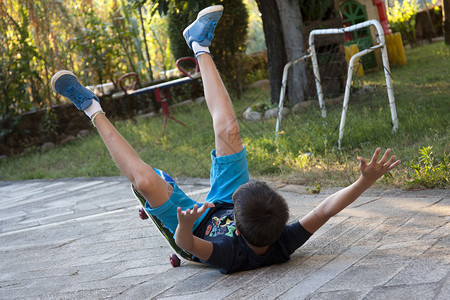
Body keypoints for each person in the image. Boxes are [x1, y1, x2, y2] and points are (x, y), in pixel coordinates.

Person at [51, 5, 401, 274]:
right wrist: (363, 181)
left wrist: (187, 226)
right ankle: (199, 44)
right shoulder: (281, 239)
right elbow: (325, 209)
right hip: (218, 210)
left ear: (238, 220)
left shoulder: (229, 255)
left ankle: (90, 106)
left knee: (144, 180)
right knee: (231, 132)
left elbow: (187, 244)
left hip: (192, 230)